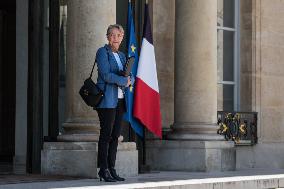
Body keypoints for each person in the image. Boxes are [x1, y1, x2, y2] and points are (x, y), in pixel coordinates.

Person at [95, 24, 133, 182]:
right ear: (107, 37)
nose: (115, 38)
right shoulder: (102, 52)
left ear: (122, 37)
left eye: (118, 35)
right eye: (112, 35)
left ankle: (112, 168)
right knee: (106, 135)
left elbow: (128, 76)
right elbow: (105, 75)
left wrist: (131, 81)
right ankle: (103, 170)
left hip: (120, 100)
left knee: (115, 136)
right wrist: (124, 81)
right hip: (107, 101)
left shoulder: (123, 56)